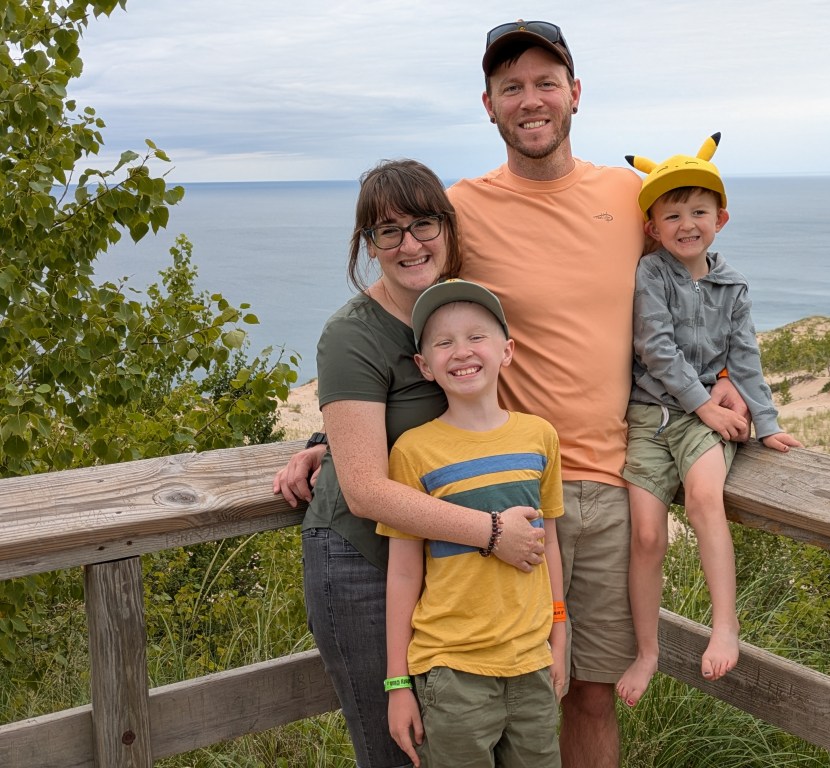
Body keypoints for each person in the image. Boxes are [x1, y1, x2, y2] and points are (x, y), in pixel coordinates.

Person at [275, 21, 749, 767]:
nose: (530, 101)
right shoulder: (462, 212)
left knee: (588, 692)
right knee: (487, 706)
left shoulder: (629, 197)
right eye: (511, 88)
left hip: (607, 486)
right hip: (495, 494)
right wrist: (331, 438)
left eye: (545, 82)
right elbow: (399, 311)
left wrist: (723, 382)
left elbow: (690, 293)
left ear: (575, 94)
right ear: (489, 105)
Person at [273, 159, 547, 768]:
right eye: (386, 231)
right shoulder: (352, 334)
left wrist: (326, 439)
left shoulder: (459, 314)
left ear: (448, 229)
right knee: (401, 752)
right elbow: (368, 491)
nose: (409, 243)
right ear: (367, 246)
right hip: (362, 562)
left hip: (445, 566)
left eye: (423, 223)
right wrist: (493, 533)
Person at [614, 134, 803, 707]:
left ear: (720, 218)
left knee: (703, 501)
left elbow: (745, 357)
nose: (686, 223)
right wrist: (705, 404)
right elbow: (657, 349)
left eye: (698, 211)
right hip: (653, 413)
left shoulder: (732, 285)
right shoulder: (652, 274)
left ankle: (726, 625)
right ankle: (646, 650)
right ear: (652, 225)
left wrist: (766, 424)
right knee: (645, 536)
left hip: (704, 420)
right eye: (671, 214)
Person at [380, 279, 565, 767]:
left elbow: (551, 545)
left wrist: (559, 634)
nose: (461, 352)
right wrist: (398, 683)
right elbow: (403, 572)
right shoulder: (413, 451)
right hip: (451, 669)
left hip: (531, 662)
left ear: (507, 351)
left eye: (476, 337)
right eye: (443, 342)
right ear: (424, 365)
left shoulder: (539, 437)